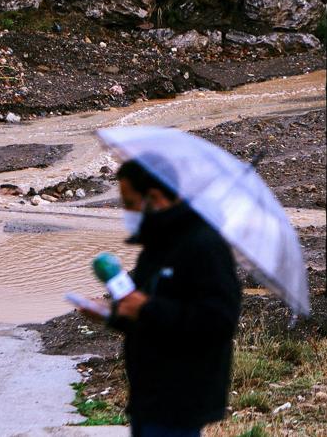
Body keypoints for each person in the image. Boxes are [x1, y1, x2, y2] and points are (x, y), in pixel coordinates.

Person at [88, 158, 242, 437]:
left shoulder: (204, 244)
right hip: (150, 396)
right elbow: (141, 308)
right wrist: (112, 314)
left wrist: (147, 308)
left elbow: (219, 319)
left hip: (180, 397)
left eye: (129, 202)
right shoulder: (158, 244)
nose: (126, 211)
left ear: (154, 196)